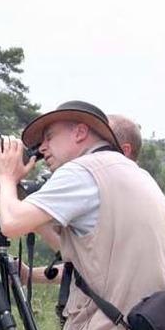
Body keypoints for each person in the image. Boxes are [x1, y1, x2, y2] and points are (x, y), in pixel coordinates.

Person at [0, 101, 165, 330]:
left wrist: (5, 179)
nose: (42, 147)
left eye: (49, 136)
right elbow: (87, 252)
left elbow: (12, 223)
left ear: (80, 132)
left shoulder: (83, 172)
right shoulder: (136, 177)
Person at [20, 113, 143, 284]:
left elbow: (92, 269)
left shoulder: (109, 187)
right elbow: (88, 267)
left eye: (101, 142)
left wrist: (7, 179)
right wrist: (30, 275)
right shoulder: (142, 190)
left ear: (124, 151)